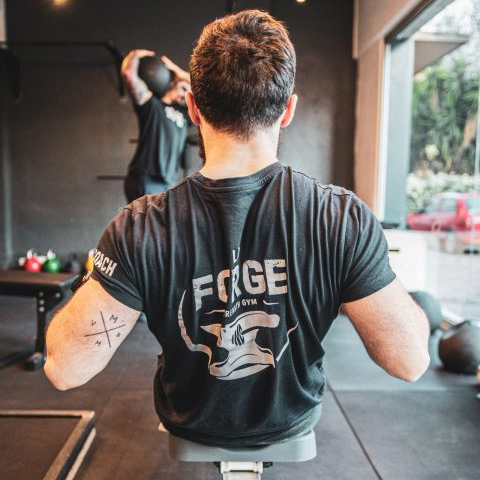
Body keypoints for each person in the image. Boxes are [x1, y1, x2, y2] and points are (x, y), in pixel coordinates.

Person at [45, 10, 430, 447]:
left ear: (193, 108)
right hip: (292, 420)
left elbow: (63, 368)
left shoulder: (138, 227)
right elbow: (411, 361)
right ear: (288, 111)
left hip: (187, 419)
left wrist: (97, 278)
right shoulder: (341, 218)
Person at [122, 50, 191, 202]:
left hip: (169, 184)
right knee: (145, 226)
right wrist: (134, 55)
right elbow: (129, 75)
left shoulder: (185, 116)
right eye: (183, 89)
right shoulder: (153, 106)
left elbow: (205, 92)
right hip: (147, 180)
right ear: (172, 84)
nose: (184, 95)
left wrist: (179, 72)